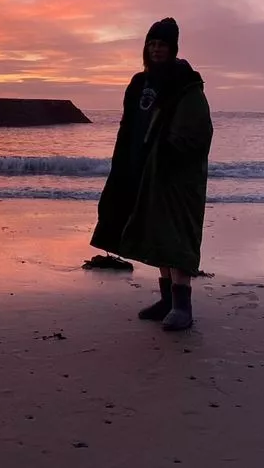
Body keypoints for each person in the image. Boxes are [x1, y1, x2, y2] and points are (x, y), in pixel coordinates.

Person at [90, 18, 214, 332]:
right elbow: (128, 125)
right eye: (152, 44)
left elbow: (198, 129)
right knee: (153, 230)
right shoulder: (139, 83)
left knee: (176, 234)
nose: (157, 49)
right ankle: (166, 300)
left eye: (163, 45)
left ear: (173, 48)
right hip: (142, 168)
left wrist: (169, 153)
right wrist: (123, 160)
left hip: (174, 174)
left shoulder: (186, 83)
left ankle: (183, 305)